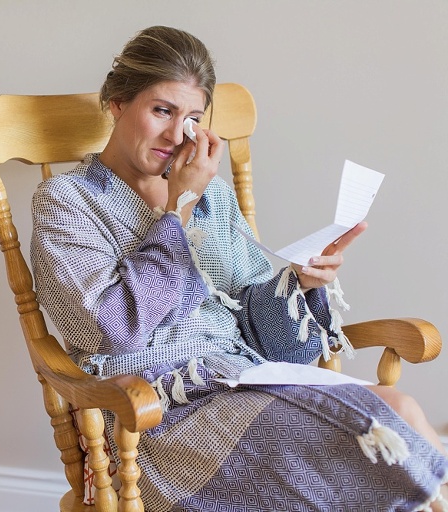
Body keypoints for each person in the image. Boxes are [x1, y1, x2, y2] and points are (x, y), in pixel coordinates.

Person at [30, 25, 448, 512]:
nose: (174, 134)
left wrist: (303, 284)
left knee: (400, 410)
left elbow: (263, 337)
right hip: (156, 412)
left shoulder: (215, 199)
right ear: (118, 103)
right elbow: (111, 327)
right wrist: (178, 205)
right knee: (376, 432)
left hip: (244, 381)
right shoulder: (66, 202)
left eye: (190, 117)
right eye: (161, 110)